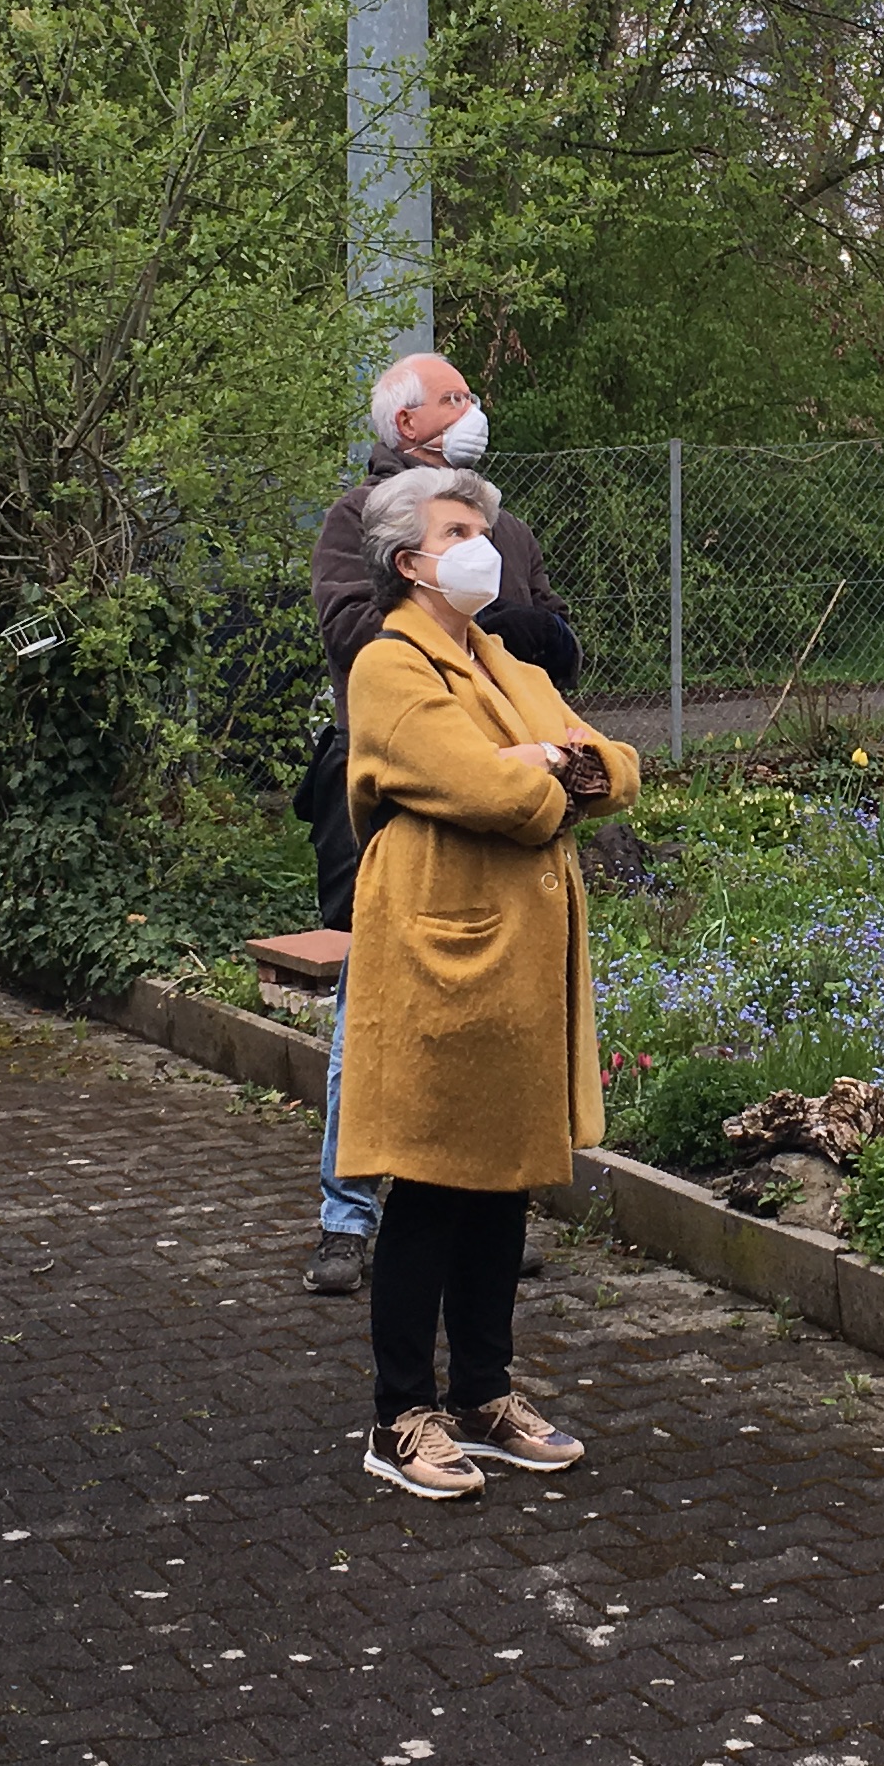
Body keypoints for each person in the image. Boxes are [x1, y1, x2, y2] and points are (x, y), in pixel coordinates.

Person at [337, 463, 638, 1499]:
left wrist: (556, 762)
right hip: (440, 941)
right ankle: (399, 1416)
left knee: (505, 1174)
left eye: (484, 529)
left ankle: (483, 1393)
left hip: (520, 948)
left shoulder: (501, 655)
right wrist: (547, 769)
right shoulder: (389, 664)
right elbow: (483, 788)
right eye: (459, 532)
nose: (483, 548)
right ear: (407, 560)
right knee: (430, 1176)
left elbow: (615, 764)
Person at [299, 354, 580, 1297]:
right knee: (375, 1000)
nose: (472, 409)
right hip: (405, 794)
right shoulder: (357, 519)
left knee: (494, 1008)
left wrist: (509, 628)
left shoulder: (504, 524)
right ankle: (349, 1216)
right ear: (404, 422)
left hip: (509, 810)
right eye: (453, 398)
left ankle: (481, 1199)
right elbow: (358, 637)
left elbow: (557, 647)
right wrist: (469, 622)